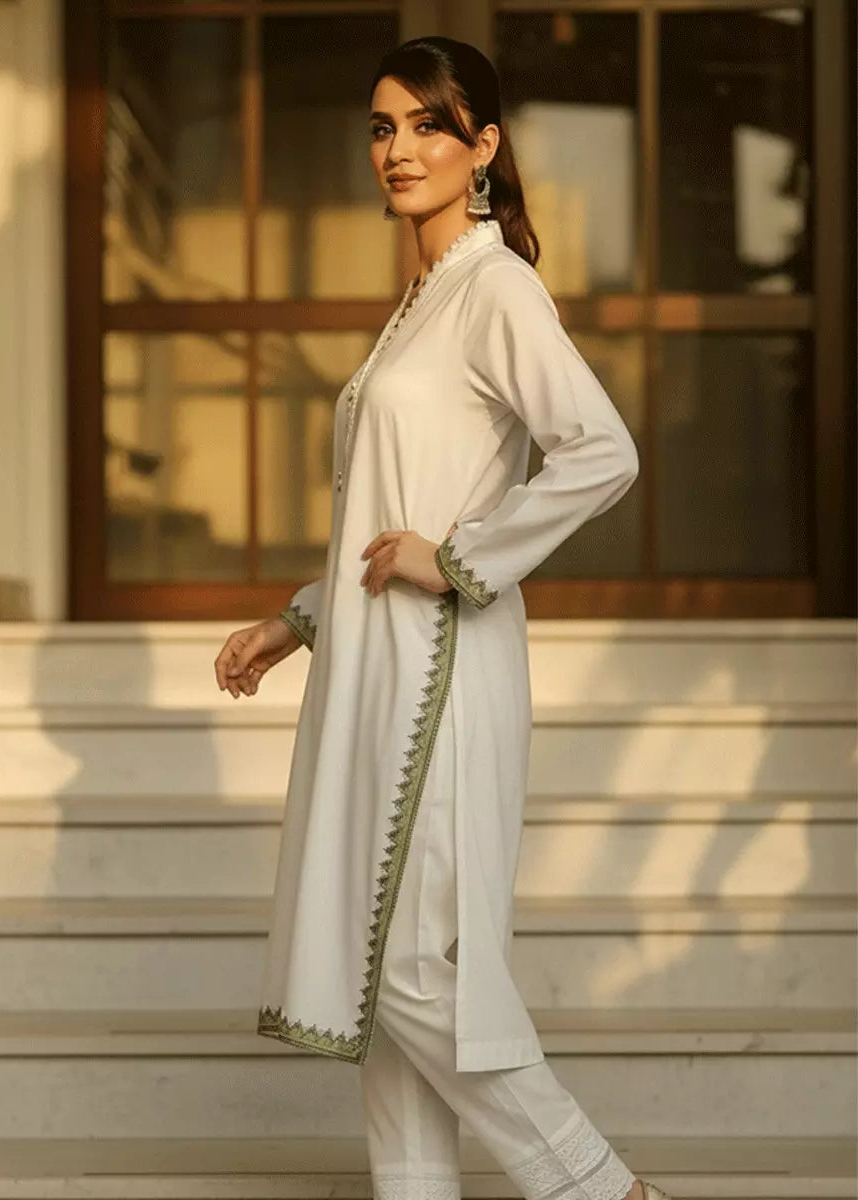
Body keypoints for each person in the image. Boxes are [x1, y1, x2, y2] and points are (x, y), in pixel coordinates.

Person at [214, 34, 672, 1200]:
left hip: (445, 669)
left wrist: (462, 556)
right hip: (374, 660)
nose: (399, 149)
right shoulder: (423, 301)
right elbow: (389, 509)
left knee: (412, 962)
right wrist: (299, 619)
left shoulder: (495, 288)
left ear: (485, 146)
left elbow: (602, 451)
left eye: (428, 125)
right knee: (383, 978)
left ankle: (597, 1185)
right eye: (383, 127)